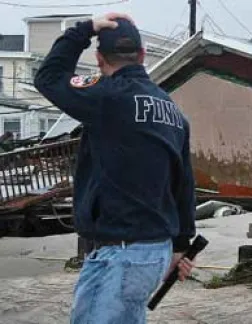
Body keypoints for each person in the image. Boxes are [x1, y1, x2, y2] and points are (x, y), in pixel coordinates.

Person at [34, 13, 197, 323]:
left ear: (98, 58)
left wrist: (85, 28)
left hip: (124, 253)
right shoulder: (173, 112)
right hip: (144, 249)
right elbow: (183, 184)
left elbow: (49, 77)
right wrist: (180, 246)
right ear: (142, 54)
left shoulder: (106, 97)